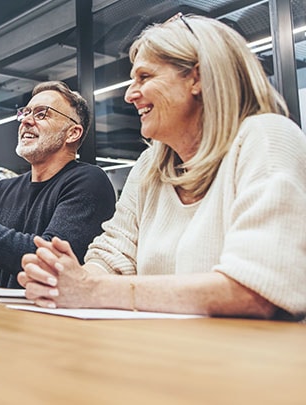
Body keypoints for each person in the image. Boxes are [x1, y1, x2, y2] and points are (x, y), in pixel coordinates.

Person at [18, 14, 306, 321]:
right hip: (161, 353)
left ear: (197, 78)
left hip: (249, 360)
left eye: (144, 77)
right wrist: (64, 282)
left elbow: (254, 290)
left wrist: (91, 289)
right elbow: (112, 255)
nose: (130, 94)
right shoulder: (149, 165)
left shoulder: (266, 136)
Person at [0, 81, 116, 288]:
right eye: (25, 113)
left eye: (41, 114)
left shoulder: (89, 181)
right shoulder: (3, 190)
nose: (26, 120)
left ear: (72, 133)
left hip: (57, 314)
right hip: (8, 313)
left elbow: (47, 262)